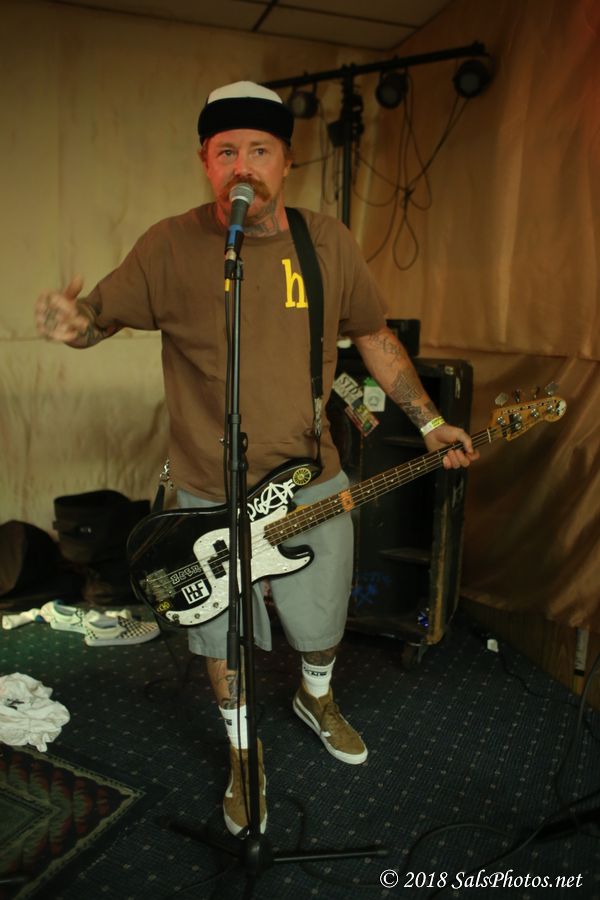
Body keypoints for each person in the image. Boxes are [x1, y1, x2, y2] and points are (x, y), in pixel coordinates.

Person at [35, 81, 478, 837]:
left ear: (287, 160)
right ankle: (243, 752)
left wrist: (430, 421)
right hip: (208, 489)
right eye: (226, 151)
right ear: (205, 162)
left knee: (323, 615)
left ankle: (316, 696)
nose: (243, 166)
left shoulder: (327, 241)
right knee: (221, 635)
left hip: (311, 475)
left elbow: (372, 333)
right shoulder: (168, 245)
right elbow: (97, 320)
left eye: (259, 151)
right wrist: (72, 324)